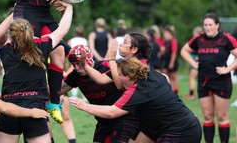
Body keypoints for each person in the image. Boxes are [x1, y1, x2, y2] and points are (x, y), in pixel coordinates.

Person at [3, 0, 73, 123]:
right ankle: (16, 97)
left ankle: (53, 102)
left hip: (44, 13)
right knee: (25, 53)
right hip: (26, 11)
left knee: (59, 51)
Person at [0, 0, 73, 142]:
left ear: (11, 35)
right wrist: (69, 7)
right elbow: (63, 29)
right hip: (35, 110)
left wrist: (15, 12)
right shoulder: (41, 47)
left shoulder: (6, 50)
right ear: (31, 32)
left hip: (10, 108)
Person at [69, 57, 202, 143]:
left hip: (181, 130)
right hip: (158, 125)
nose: (116, 78)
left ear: (128, 77)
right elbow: (166, 80)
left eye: (119, 75)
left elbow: (112, 112)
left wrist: (84, 106)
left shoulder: (137, 91)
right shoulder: (152, 74)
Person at [61, 45, 138, 143]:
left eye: (79, 63)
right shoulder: (75, 75)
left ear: (87, 60)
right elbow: (56, 89)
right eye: (73, 64)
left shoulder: (107, 66)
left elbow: (127, 84)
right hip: (103, 120)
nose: (77, 68)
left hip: (124, 118)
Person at [180, 12, 237, 143]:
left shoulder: (226, 38)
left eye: (210, 24)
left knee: (222, 117)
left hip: (221, 82)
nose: (207, 27)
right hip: (204, 81)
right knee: (207, 116)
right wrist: (194, 63)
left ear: (218, 25)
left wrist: (227, 69)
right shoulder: (199, 38)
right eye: (205, 25)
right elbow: (184, 51)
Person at [185, 26, 204, 100]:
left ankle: (191, 95)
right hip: (200, 61)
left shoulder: (198, 40)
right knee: (199, 78)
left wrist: (198, 57)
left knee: (192, 78)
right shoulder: (203, 40)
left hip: (197, 62)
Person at [159, 26, 179, 94]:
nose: (164, 35)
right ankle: (170, 91)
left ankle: (175, 91)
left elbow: (174, 52)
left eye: (166, 33)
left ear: (170, 34)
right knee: (166, 76)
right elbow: (162, 52)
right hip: (165, 61)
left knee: (174, 77)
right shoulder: (165, 42)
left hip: (171, 61)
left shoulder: (173, 41)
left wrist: (172, 63)